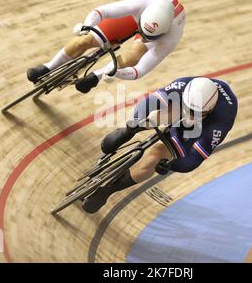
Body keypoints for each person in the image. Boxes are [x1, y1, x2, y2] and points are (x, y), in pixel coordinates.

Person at [82, 76, 238, 213]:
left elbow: (193, 160)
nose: (191, 115)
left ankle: (108, 190)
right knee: (156, 117)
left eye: (196, 112)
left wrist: (170, 164)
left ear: (209, 111)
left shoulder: (222, 120)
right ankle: (127, 132)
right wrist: (132, 127)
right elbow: (149, 103)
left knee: (153, 158)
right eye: (189, 109)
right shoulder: (183, 85)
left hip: (201, 128)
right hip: (179, 107)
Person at [27, 0, 186, 93]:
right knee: (86, 40)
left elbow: (140, 70)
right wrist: (86, 26)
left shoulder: (172, 36)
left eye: (149, 37)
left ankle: (94, 76)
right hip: (134, 18)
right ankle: (49, 66)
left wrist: (109, 74)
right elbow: (102, 12)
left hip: (153, 28)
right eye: (142, 33)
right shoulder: (144, 3)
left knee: (134, 55)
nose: (143, 37)